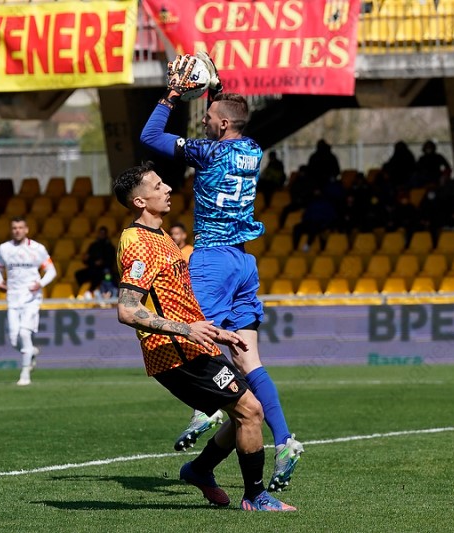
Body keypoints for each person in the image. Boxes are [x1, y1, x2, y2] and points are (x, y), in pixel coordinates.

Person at [140, 53, 303, 492]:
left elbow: (149, 136)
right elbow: (227, 111)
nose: (204, 121)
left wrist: (173, 94)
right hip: (244, 262)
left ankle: (206, 407)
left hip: (212, 258)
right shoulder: (252, 149)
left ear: (223, 125)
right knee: (250, 360)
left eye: (208, 117)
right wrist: (214, 85)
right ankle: (285, 439)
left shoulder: (207, 152)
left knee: (198, 339)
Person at [113, 162, 295, 512]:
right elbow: (127, 309)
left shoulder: (163, 238)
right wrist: (188, 329)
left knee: (245, 411)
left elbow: (175, 300)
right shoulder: (137, 243)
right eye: (158, 185)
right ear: (139, 201)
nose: (167, 188)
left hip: (194, 345)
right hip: (174, 351)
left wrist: (214, 330)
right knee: (250, 411)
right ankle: (255, 496)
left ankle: (200, 470)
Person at [0, 216, 56, 386]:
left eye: (20, 227)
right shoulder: (4, 249)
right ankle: (32, 351)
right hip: (13, 299)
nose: (17, 231)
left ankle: (25, 374)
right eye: (14, 228)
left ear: (26, 229)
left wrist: (40, 283)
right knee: (15, 340)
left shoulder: (37, 249)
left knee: (24, 333)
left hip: (31, 298)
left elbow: (51, 271)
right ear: (11, 230)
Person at [75, 226, 116, 299]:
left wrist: (102, 262)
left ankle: (92, 291)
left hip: (105, 270)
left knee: (102, 275)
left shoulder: (110, 247)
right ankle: (83, 291)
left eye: (103, 233)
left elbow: (111, 261)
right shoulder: (93, 246)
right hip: (93, 267)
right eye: (100, 233)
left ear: (106, 234)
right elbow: (87, 260)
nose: (101, 235)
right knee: (79, 274)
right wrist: (88, 260)